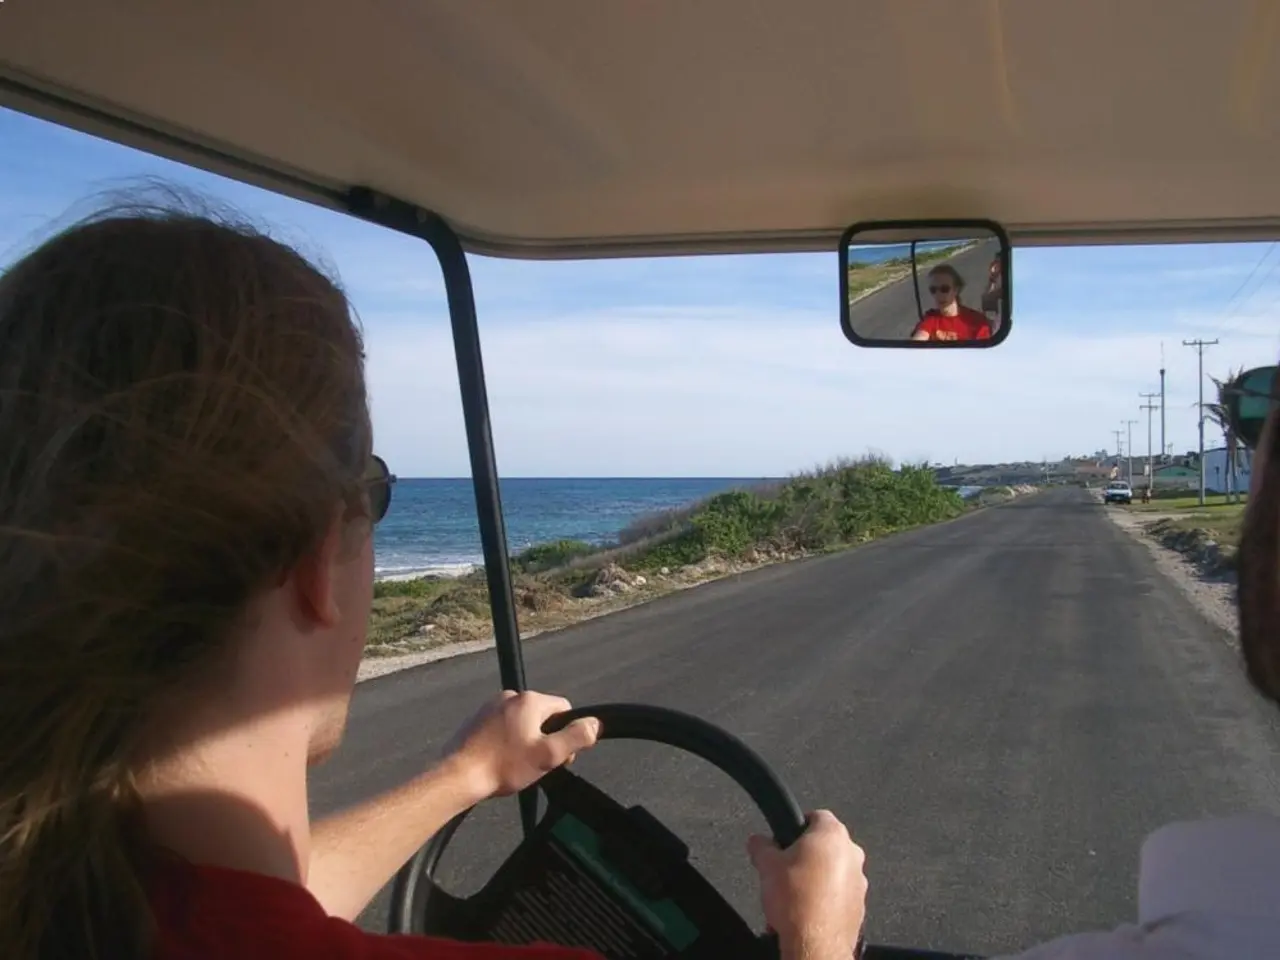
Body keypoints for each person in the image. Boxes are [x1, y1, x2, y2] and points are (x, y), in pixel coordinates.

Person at [0, 198, 866, 960]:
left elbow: (255, 911)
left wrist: (467, 775)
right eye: (370, 493)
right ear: (313, 562)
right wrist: (818, 944)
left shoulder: (66, 891)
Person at [910, 263, 992, 342]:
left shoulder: (977, 320)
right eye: (933, 290)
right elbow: (918, 340)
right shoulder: (930, 318)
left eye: (944, 289)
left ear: (956, 290)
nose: (938, 294)